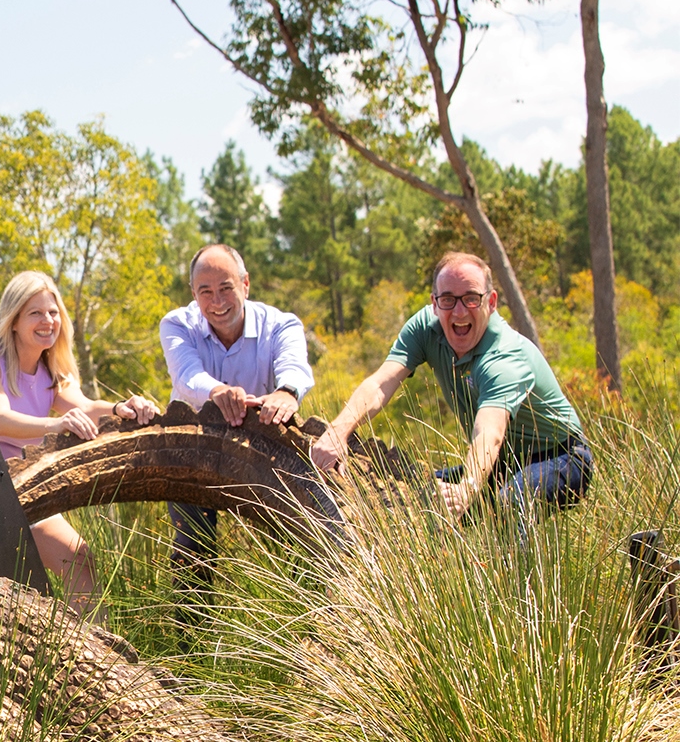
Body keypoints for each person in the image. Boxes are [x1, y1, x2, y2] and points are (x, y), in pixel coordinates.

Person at [309, 251, 591, 521]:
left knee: (512, 500)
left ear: (491, 301)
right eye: (448, 299)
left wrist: (467, 488)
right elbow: (381, 383)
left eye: (471, 299)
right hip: (500, 462)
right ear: (434, 303)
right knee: (417, 496)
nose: (459, 311)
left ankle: (512, 559)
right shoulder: (424, 328)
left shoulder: (504, 357)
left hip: (562, 457)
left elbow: (489, 433)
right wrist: (337, 432)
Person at [0, 270, 159, 608]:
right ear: (13, 320)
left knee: (80, 562)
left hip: (26, 486)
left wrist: (121, 408)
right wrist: (55, 425)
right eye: (35, 313)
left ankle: (89, 642)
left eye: (53, 312)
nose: (48, 321)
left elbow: (85, 406)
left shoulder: (51, 368)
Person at [159, 243, 315, 592]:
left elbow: (295, 368)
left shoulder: (282, 325)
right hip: (194, 449)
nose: (217, 301)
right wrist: (217, 391)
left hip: (262, 450)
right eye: (206, 292)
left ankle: (296, 613)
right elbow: (186, 375)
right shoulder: (176, 324)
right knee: (193, 547)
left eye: (226, 288)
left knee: (293, 542)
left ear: (245, 284)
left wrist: (286, 392)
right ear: (193, 294)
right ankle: (191, 624)